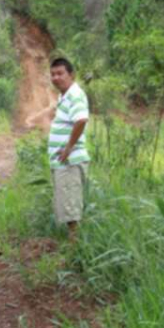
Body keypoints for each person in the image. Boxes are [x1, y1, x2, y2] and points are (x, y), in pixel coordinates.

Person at [48, 57, 90, 241]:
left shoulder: (75, 94)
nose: (56, 77)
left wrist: (68, 148)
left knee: (71, 210)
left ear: (71, 75)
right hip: (64, 162)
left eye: (60, 73)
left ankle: (75, 250)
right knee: (68, 206)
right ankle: (73, 247)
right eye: (53, 74)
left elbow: (81, 119)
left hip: (70, 162)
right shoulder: (64, 95)